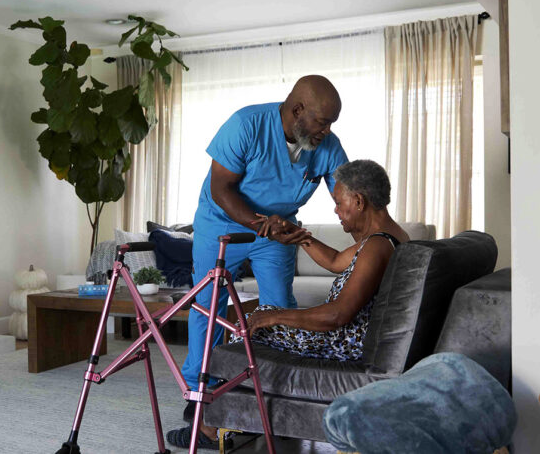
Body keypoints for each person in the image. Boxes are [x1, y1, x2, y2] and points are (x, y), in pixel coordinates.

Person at [166, 159, 409, 449]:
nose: (336, 210)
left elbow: (337, 314)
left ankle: (213, 427)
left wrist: (277, 317)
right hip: (351, 337)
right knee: (261, 317)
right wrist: (298, 235)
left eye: (338, 201)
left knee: (248, 328)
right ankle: (236, 420)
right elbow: (334, 261)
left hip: (341, 342)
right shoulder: (390, 238)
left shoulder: (376, 247)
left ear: (358, 201)